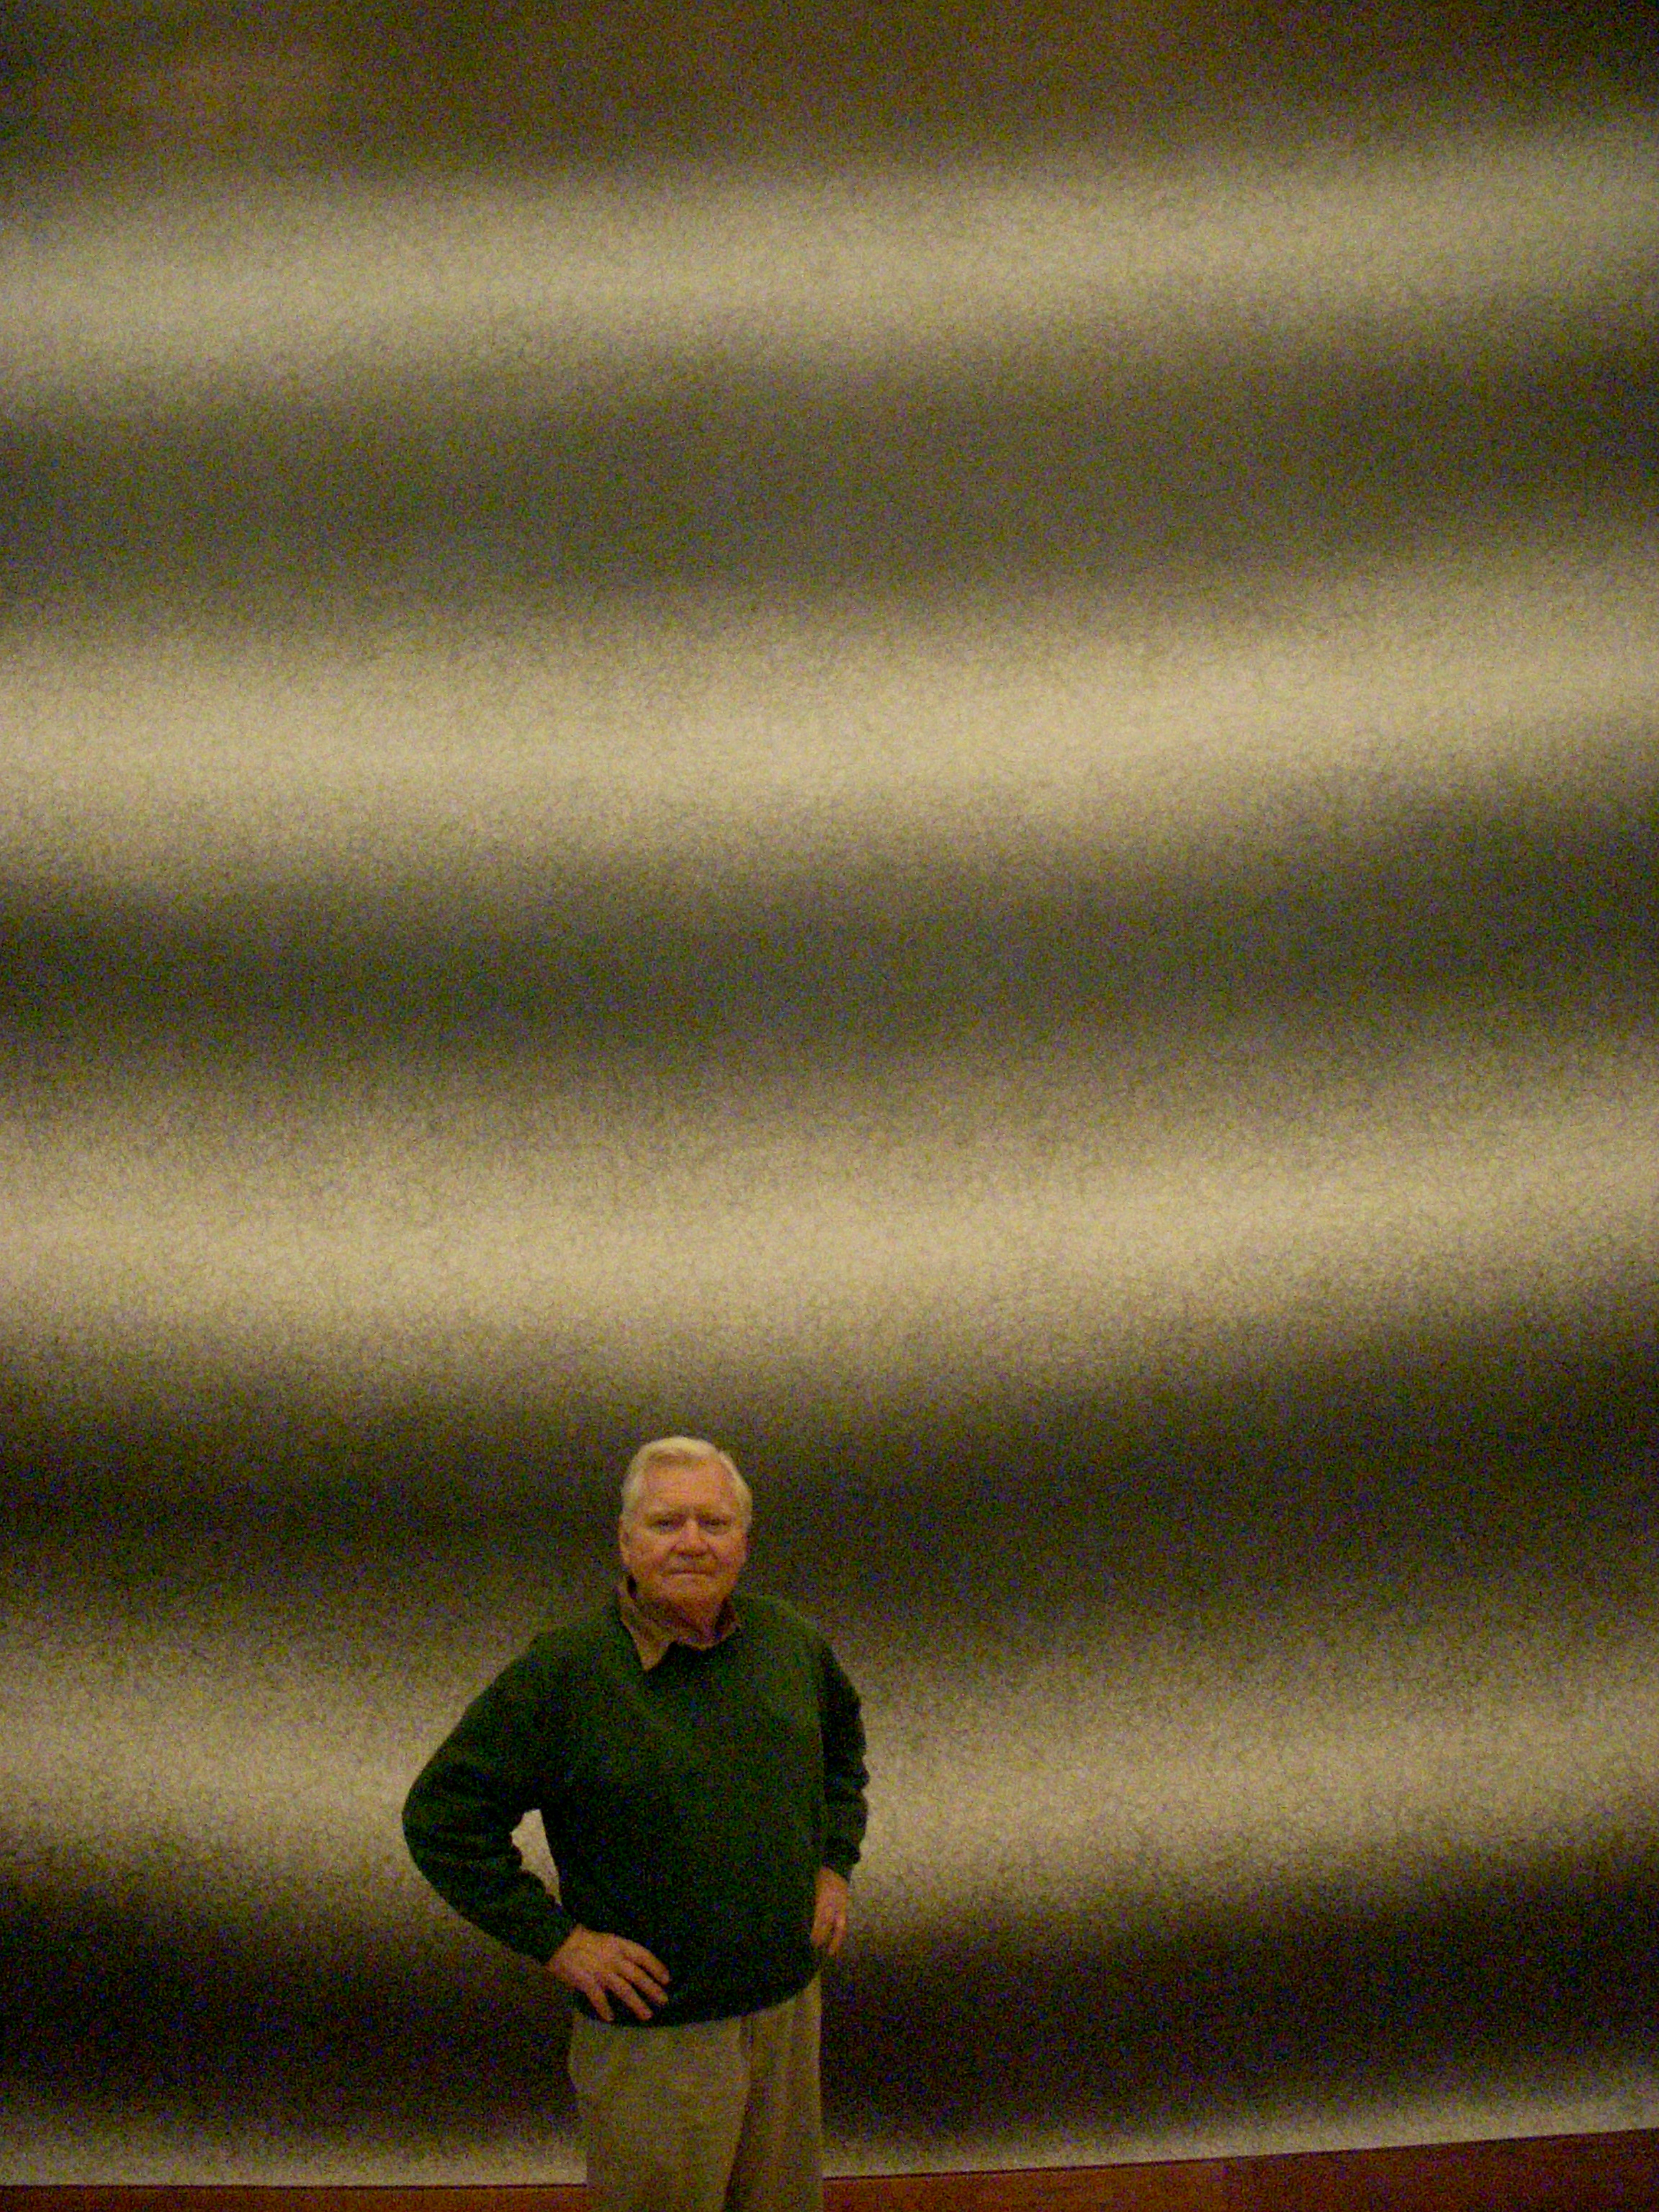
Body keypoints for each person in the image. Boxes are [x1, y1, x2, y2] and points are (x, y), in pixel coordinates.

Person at [403, 1436, 869, 2212]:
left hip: (786, 2008)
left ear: (744, 1544)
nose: (691, 1541)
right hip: (656, 2034)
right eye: (665, 1523)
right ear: (625, 1541)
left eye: (714, 1523)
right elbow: (442, 1819)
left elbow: (841, 1756)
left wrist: (834, 1863)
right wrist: (557, 1941)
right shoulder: (565, 1673)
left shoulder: (790, 1644)